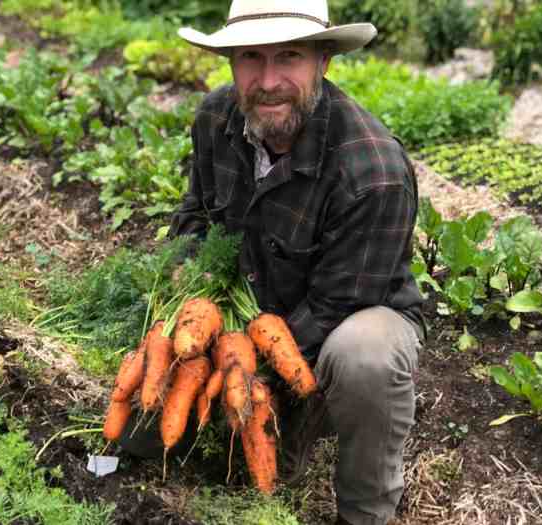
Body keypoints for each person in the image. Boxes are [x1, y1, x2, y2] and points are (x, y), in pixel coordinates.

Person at [123, 2, 426, 524]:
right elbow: (195, 214)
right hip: (242, 314)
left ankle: (363, 509)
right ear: (231, 62)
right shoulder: (216, 117)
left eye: (289, 56)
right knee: (142, 433)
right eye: (250, 57)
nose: (268, 80)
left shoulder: (371, 169)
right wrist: (191, 304)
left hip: (342, 319)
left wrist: (242, 367)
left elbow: (334, 308)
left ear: (323, 61)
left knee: (365, 360)